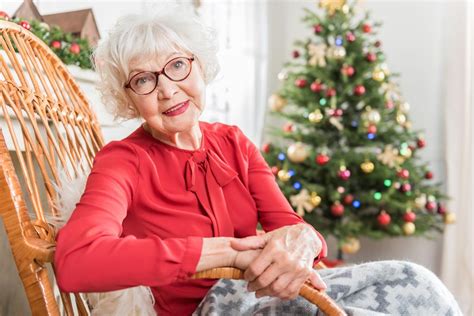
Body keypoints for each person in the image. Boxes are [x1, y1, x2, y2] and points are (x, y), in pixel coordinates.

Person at [54, 6, 462, 316]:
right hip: (214, 308)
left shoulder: (233, 142)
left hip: (267, 292)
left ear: (200, 66)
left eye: (177, 66)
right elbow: (76, 262)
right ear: (128, 98)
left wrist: (305, 241)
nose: (167, 90)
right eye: (144, 80)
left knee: (415, 281)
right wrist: (223, 253)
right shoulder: (123, 159)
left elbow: (290, 227)